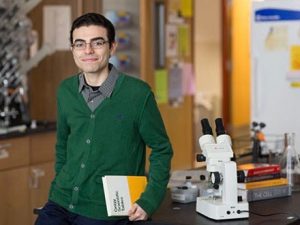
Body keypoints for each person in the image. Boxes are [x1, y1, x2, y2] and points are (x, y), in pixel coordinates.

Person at [35, 12, 173, 225]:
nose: (88, 51)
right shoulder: (65, 90)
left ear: (112, 47)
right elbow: (63, 144)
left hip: (105, 210)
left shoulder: (138, 94)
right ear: (73, 49)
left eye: (97, 43)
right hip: (60, 202)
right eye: (79, 44)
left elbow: (161, 149)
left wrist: (149, 200)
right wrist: (57, 185)